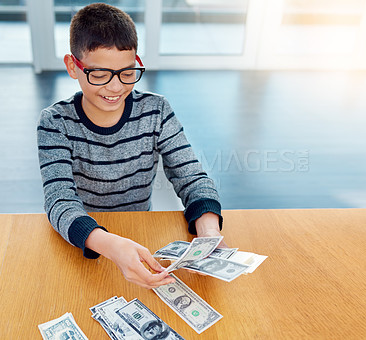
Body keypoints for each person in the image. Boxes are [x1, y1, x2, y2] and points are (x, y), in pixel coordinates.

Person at [37, 3, 225, 289]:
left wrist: (208, 229)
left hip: (139, 232)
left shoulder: (156, 110)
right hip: (82, 238)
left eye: (127, 72)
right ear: (72, 66)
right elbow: (59, 200)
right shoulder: (55, 122)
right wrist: (109, 244)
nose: (115, 88)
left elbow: (191, 176)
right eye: (99, 74)